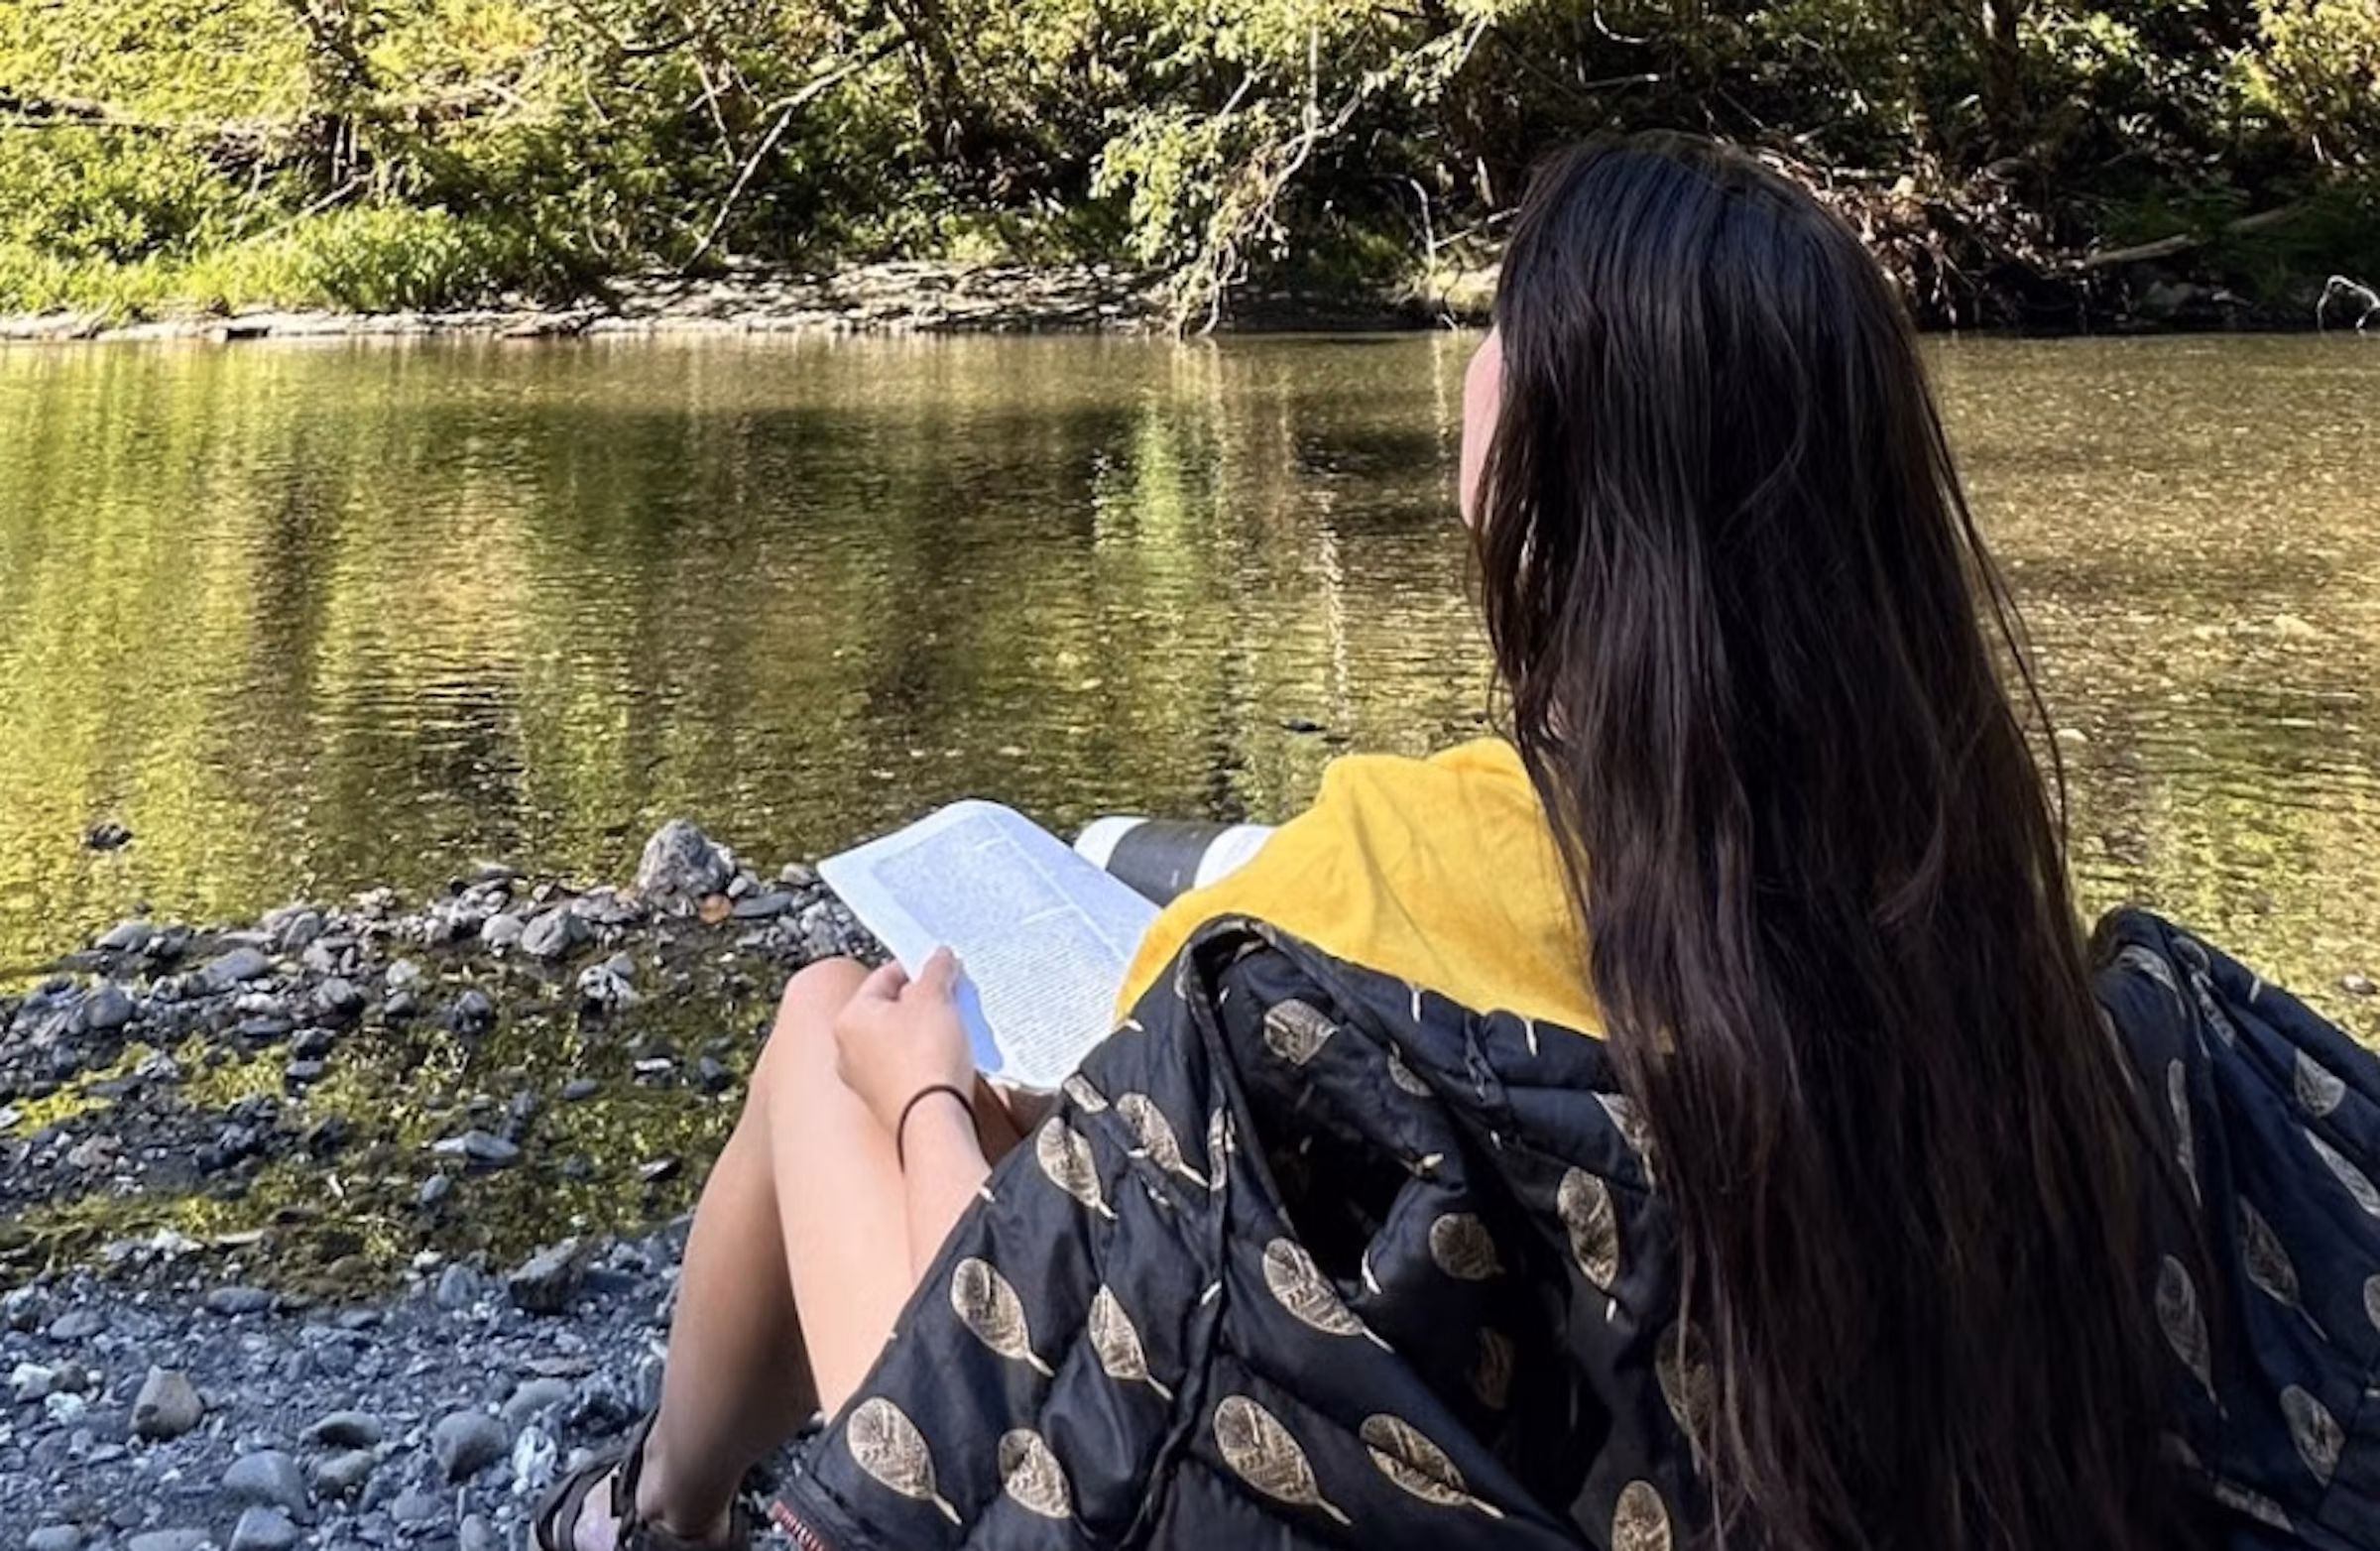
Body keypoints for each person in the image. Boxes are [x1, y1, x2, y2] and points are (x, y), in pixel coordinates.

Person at [541, 134, 2379, 1551]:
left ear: (1544, 469)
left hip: (1298, 1473)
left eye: (1498, 334)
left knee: (839, 1037)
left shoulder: (1375, 872)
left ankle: (656, 1514)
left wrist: (932, 1100)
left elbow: (1094, 1316)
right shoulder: (1986, 923)